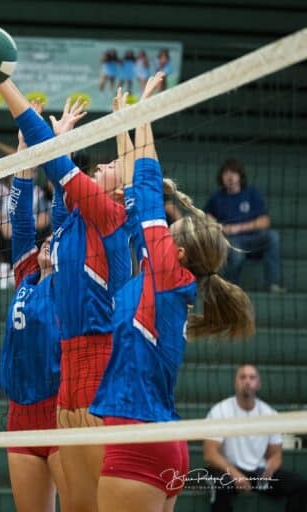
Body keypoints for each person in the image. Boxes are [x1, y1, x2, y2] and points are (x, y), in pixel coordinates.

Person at [90, 73, 255, 512]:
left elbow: (146, 184)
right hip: (161, 441)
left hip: (137, 438)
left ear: (177, 249)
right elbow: (133, 191)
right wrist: (124, 120)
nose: (165, 223)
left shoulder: (166, 273)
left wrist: (145, 110)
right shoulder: (164, 279)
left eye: (171, 227)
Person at [0, 17, 130, 510]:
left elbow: (68, 186)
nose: (100, 171)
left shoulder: (105, 220)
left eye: (108, 168)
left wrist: (51, 145)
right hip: (33, 403)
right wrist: (41, 150)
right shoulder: (41, 259)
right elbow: (24, 219)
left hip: (77, 385)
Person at [0, 100, 82, 512]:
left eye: (57, 238)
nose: (48, 240)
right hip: (20, 417)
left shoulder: (74, 281)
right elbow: (22, 220)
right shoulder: (25, 270)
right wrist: (26, 152)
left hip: (62, 412)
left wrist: (59, 145)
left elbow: (64, 211)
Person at [203, 364, 307, 512]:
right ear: (235, 382)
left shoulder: (269, 413)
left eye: (252, 377)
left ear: (258, 383)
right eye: (242, 377)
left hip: (258, 472)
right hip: (228, 470)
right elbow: (210, 454)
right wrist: (234, 473)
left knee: (299, 485)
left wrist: (271, 468)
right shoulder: (220, 411)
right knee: (220, 484)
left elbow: (275, 454)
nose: (247, 381)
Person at [204, 158, 285, 293]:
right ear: (221, 177)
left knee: (273, 237)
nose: (230, 176)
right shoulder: (216, 198)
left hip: (253, 239)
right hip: (230, 242)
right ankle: (230, 291)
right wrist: (216, 226)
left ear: (240, 176)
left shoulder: (252, 193)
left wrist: (237, 228)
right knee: (236, 255)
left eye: (233, 172)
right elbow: (206, 217)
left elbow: (265, 221)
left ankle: (272, 284)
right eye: (226, 173)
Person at [0, 170, 51, 289]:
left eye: (33, 171)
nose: (28, 173)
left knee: (41, 233)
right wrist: (4, 226)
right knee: (3, 234)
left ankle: (17, 273)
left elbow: (44, 219)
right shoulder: (1, 192)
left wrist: (20, 226)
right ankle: (6, 271)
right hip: (3, 236)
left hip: (28, 235)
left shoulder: (38, 193)